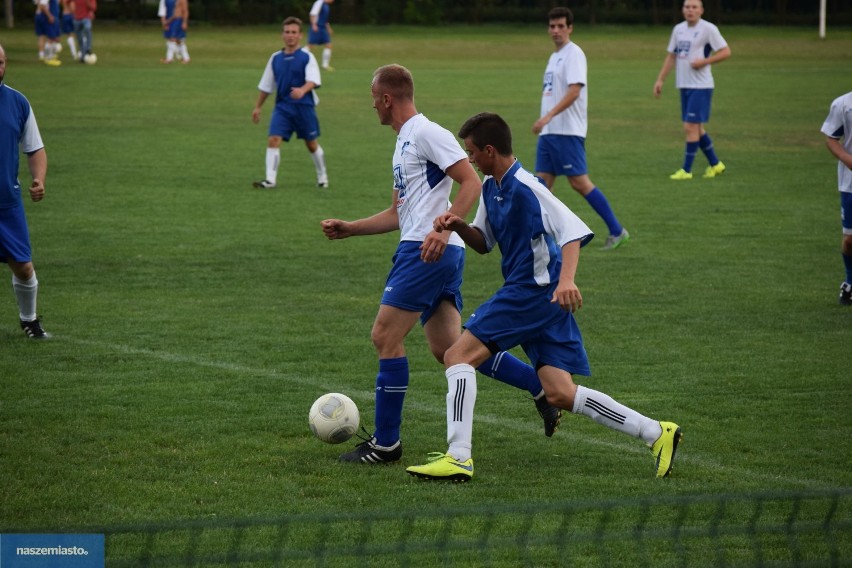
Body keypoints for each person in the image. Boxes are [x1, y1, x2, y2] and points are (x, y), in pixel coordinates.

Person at [407, 113, 682, 481]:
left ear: (490, 150)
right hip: (539, 298)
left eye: (472, 152)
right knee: (559, 393)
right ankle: (656, 432)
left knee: (456, 354)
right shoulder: (492, 186)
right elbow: (485, 243)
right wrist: (458, 225)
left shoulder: (527, 186)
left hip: (530, 293)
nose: (469, 160)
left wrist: (567, 280)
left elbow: (571, 231)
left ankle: (458, 457)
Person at [321, 65, 563, 465]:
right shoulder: (402, 143)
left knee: (385, 337)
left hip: (426, 252)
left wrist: (444, 231)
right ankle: (539, 387)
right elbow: (401, 212)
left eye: (372, 98)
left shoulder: (426, 132)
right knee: (450, 349)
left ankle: (386, 445)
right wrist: (351, 228)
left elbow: (469, 181)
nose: (372, 106)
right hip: (427, 249)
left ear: (386, 98)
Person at [533, 7, 628, 251]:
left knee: (579, 183)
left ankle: (617, 230)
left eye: (561, 26)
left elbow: (574, 91)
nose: (556, 31)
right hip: (550, 133)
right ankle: (541, 240)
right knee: (541, 187)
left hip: (566, 131)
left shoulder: (574, 54)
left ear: (570, 28)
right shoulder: (554, 56)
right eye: (552, 26)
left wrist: (548, 116)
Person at [0, 45, 51, 340]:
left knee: (23, 265)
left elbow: (35, 148)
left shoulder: (18, 102)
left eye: (1, 62)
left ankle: (29, 320)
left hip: (7, 202)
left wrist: (38, 180)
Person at [653, 0, 731, 181]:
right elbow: (672, 56)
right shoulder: (678, 30)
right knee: (697, 128)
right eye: (687, 7)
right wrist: (660, 80)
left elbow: (726, 51)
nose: (690, 10)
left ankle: (686, 170)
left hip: (701, 86)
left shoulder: (708, 29)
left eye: (694, 7)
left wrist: (704, 62)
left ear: (701, 10)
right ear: (682, 10)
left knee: (689, 127)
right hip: (684, 85)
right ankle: (716, 164)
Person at [252, 17, 328, 189]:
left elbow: (314, 80)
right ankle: (270, 180)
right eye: (287, 32)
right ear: (282, 35)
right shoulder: (275, 58)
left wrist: (302, 90)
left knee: (311, 143)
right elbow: (266, 86)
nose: (290, 35)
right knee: (273, 139)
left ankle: (322, 176)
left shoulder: (307, 57)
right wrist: (258, 107)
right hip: (283, 107)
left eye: (294, 32)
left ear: (300, 35)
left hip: (304, 107)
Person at [820, 92, 852, 306]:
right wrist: (846, 158)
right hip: (850, 182)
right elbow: (831, 138)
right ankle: (850, 283)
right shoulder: (843, 104)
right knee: (850, 240)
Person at [158, 0, 191, 64]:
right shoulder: (172, 1)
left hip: (178, 20)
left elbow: (185, 11)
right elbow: (172, 13)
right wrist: (166, 21)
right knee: (178, 40)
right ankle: (186, 58)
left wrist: (184, 22)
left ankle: (169, 58)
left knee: (173, 39)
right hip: (173, 20)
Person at [308, 0, 334, 71]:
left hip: (323, 28)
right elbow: (313, 14)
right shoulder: (319, 2)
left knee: (328, 45)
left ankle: (325, 65)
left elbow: (325, 19)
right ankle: (299, 58)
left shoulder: (326, 6)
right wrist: (314, 25)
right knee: (310, 45)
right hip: (317, 27)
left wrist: (328, 28)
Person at [34, 0, 62, 66]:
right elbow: (42, 5)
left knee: (54, 38)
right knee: (51, 38)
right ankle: (49, 58)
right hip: (49, 17)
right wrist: (49, 16)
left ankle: (51, 56)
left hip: (54, 17)